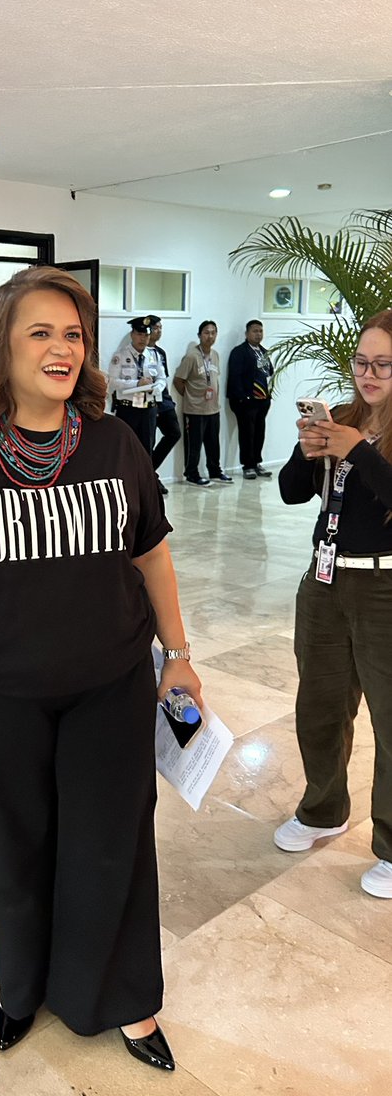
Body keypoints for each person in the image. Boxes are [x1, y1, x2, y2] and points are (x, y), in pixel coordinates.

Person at [0, 266, 202, 1069]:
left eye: (72, 334)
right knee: (14, 846)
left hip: (109, 686)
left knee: (113, 845)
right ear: (2, 346)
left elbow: (151, 554)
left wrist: (177, 658)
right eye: (40, 332)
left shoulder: (114, 443)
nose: (61, 347)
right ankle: (20, 987)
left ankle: (125, 1000)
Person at [274, 310, 392, 899]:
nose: (368, 375)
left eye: (383, 365)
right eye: (361, 362)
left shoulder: (368, 434)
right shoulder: (346, 418)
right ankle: (324, 808)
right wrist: (308, 449)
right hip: (324, 580)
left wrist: (358, 451)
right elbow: (294, 493)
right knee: (319, 704)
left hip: (385, 586)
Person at [174, 320, 233, 486]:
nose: (210, 336)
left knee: (214, 443)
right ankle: (192, 474)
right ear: (199, 335)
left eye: (213, 332)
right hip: (195, 410)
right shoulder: (192, 356)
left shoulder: (215, 355)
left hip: (213, 408)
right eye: (206, 332)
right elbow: (178, 380)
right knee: (194, 445)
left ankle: (215, 471)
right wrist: (190, 397)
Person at [107, 316, 166, 461]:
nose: (143, 339)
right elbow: (113, 382)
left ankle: (145, 482)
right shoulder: (120, 356)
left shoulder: (154, 356)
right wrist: (137, 384)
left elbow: (162, 379)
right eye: (139, 334)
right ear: (132, 334)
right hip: (128, 410)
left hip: (148, 409)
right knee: (126, 450)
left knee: (147, 451)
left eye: (146, 335)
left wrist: (155, 388)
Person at [227, 320, 274, 479]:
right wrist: (243, 397)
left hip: (262, 400)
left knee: (259, 432)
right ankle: (247, 465)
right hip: (246, 401)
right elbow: (235, 376)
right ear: (247, 334)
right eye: (255, 331)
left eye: (260, 331)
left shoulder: (263, 352)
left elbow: (270, 372)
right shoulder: (239, 352)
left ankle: (257, 462)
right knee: (247, 433)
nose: (258, 334)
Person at [148, 317, 181, 495]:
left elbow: (163, 380)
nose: (158, 331)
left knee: (174, 433)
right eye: (155, 328)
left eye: (161, 328)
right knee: (148, 441)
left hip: (165, 401)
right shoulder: (138, 352)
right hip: (148, 402)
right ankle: (150, 477)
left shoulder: (160, 352)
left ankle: (149, 471)